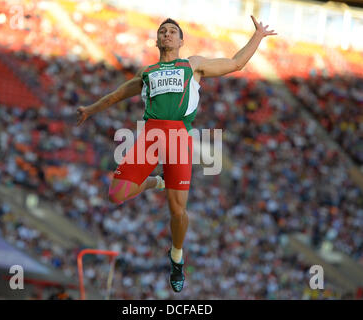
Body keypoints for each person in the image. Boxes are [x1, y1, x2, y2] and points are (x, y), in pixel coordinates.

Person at [76, 16, 276, 293]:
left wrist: (258, 36)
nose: (167, 34)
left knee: (177, 210)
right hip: (150, 136)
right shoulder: (146, 73)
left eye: (172, 31)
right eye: (162, 31)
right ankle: (155, 181)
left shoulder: (193, 65)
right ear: (157, 40)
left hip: (179, 137)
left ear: (181, 41)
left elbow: (236, 63)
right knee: (117, 194)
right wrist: (89, 110)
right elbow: (114, 96)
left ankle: (177, 256)